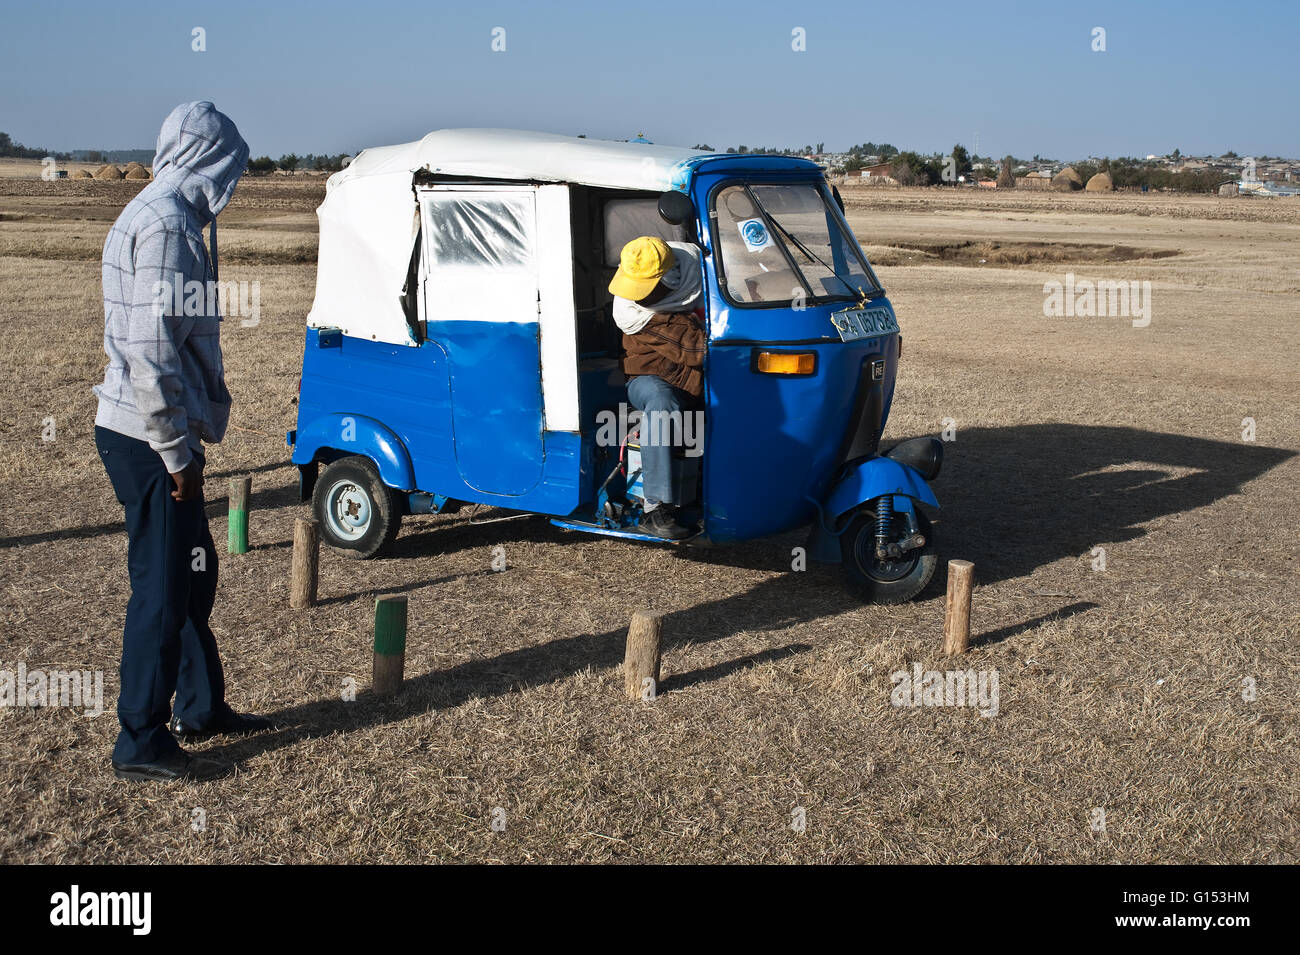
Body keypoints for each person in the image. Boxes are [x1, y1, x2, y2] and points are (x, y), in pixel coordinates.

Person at [94, 101, 271, 783]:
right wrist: (176, 453)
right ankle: (140, 737)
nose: (232, 180)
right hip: (148, 436)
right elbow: (149, 353)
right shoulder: (168, 223)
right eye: (228, 164)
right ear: (206, 157)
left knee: (195, 572)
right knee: (162, 591)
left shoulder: (163, 210)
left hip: (149, 429)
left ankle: (200, 705)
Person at [608, 236, 706, 540]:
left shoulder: (695, 270)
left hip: (689, 379)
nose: (636, 296)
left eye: (644, 288)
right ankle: (655, 508)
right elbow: (697, 351)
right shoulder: (634, 313)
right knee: (662, 405)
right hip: (647, 378)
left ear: (669, 278)